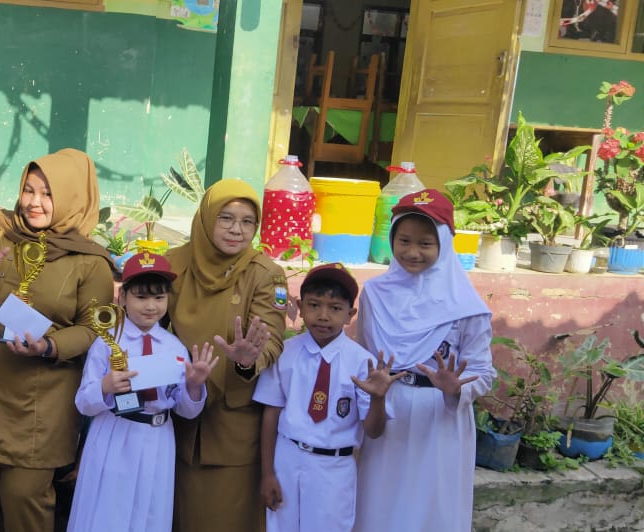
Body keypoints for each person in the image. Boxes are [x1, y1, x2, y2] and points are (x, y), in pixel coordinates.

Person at [0, 148, 117, 532]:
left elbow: (94, 327)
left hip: (41, 401)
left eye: (48, 194)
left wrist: (50, 345)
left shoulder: (90, 261)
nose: (34, 203)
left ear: (74, 196)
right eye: (29, 190)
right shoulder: (0, 230)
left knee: (24, 499)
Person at [353, 189, 495, 532]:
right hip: (388, 414)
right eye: (403, 240)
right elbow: (366, 358)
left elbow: (483, 372)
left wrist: (454, 389)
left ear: (444, 244)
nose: (412, 252)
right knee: (378, 507)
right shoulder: (374, 294)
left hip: (440, 418)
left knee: (432, 510)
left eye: (425, 244)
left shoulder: (467, 306)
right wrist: (373, 398)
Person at [166, 178, 288, 532]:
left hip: (232, 430)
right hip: (179, 419)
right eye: (226, 218)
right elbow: (146, 327)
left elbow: (272, 340)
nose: (237, 230)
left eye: (248, 221)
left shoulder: (266, 275)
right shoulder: (173, 264)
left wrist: (248, 360)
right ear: (206, 218)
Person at [67, 251, 217, 532]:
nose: (151, 306)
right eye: (141, 297)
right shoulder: (107, 342)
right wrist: (106, 386)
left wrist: (195, 385)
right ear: (122, 297)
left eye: (159, 298)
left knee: (149, 511)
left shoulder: (173, 347)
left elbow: (185, 409)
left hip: (158, 439)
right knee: (108, 511)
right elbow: (83, 403)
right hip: (115, 433)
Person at [253, 263, 401, 531]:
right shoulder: (284, 353)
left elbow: (375, 431)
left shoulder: (362, 362)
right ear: (300, 306)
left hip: (334, 467)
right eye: (314, 305)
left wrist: (378, 399)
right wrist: (267, 474)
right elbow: (271, 413)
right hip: (287, 458)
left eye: (334, 308)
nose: (323, 315)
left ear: (350, 314)